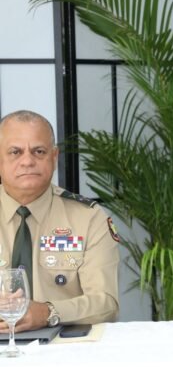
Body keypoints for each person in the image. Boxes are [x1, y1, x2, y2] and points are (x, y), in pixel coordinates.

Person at [0, 110, 119, 333]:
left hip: (65, 347)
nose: (28, 161)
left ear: (54, 157)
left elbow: (105, 303)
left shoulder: (88, 218)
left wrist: (48, 313)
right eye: (15, 152)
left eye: (39, 151)